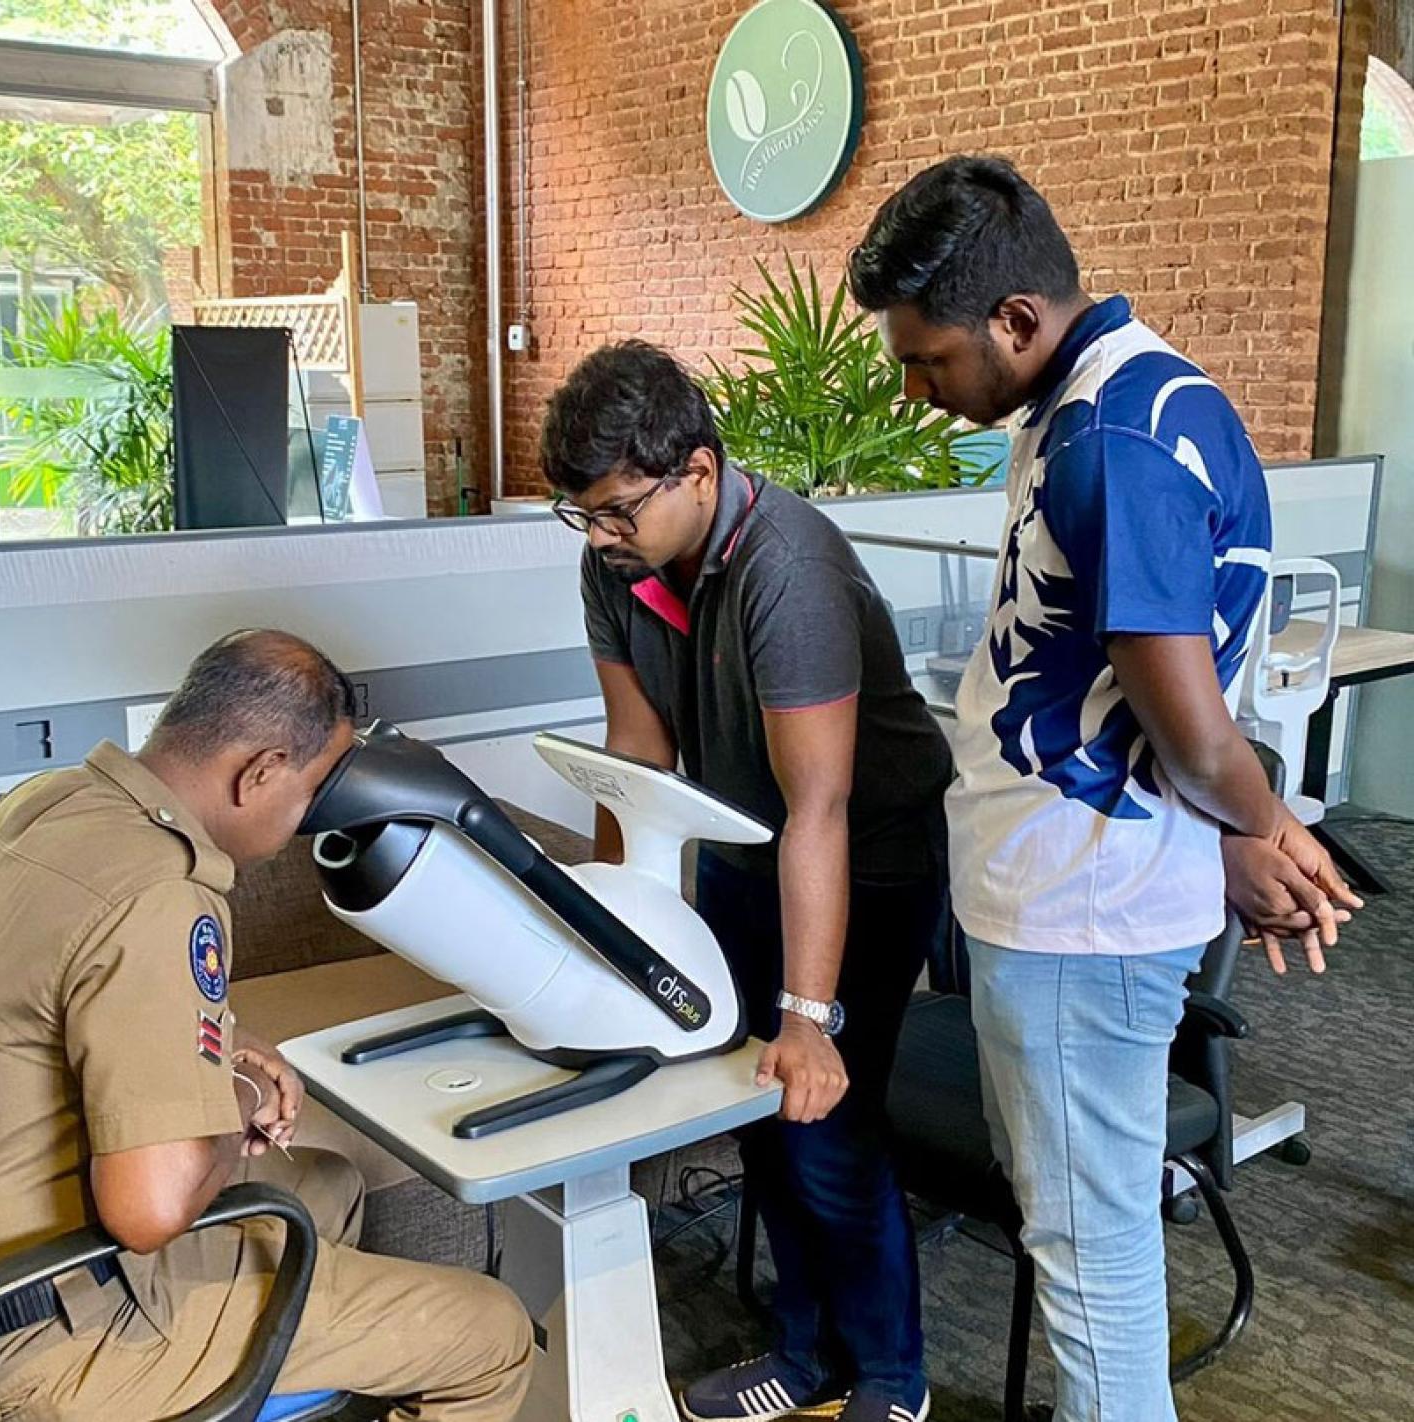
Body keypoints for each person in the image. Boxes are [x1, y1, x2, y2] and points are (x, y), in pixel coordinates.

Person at [849, 155, 1361, 1422]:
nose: (916, 392)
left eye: (927, 361)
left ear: (1014, 319)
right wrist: (1233, 834)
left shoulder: (1115, 439)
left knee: (1089, 1261)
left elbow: (1186, 721)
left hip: (1080, 918)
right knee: (1080, 1236)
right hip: (1069, 894)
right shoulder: (1088, 405)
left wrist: (1264, 823)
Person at [0, 629, 533, 1422]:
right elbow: (148, 1212)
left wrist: (224, 1044)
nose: (302, 825)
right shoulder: (162, 894)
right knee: (491, 1333)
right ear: (260, 772)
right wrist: (233, 1103)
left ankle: (277, 1362)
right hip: (50, 1340)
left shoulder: (50, 802)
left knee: (328, 1184)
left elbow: (66, 988)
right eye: (309, 796)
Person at [540, 341, 954, 1422]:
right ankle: (804, 1354)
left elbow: (819, 807)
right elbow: (636, 753)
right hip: (741, 848)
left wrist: (807, 1018)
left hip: (865, 858)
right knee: (755, 1111)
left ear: (699, 470)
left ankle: (893, 1380)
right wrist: (614, 923)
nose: (599, 536)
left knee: (824, 1121)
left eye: (617, 511)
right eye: (582, 514)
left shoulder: (788, 570)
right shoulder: (615, 563)